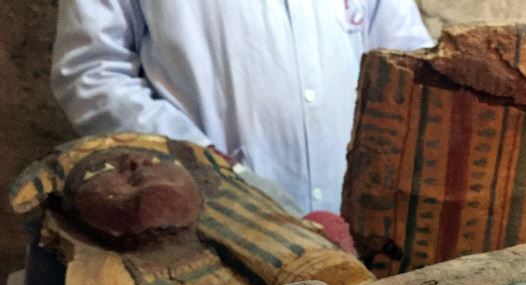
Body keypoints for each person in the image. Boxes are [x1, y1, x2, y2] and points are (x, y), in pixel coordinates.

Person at [51, 1, 433, 213]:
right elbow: (91, 74)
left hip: (360, 218)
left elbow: (408, 65)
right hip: (219, 221)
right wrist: (203, 163)